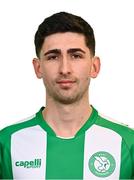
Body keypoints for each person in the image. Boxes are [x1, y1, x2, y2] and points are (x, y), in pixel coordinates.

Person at [0, 11, 134, 179]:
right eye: (53, 57)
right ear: (38, 68)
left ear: (94, 66)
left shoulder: (127, 142)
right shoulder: (6, 143)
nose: (64, 69)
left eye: (76, 56)